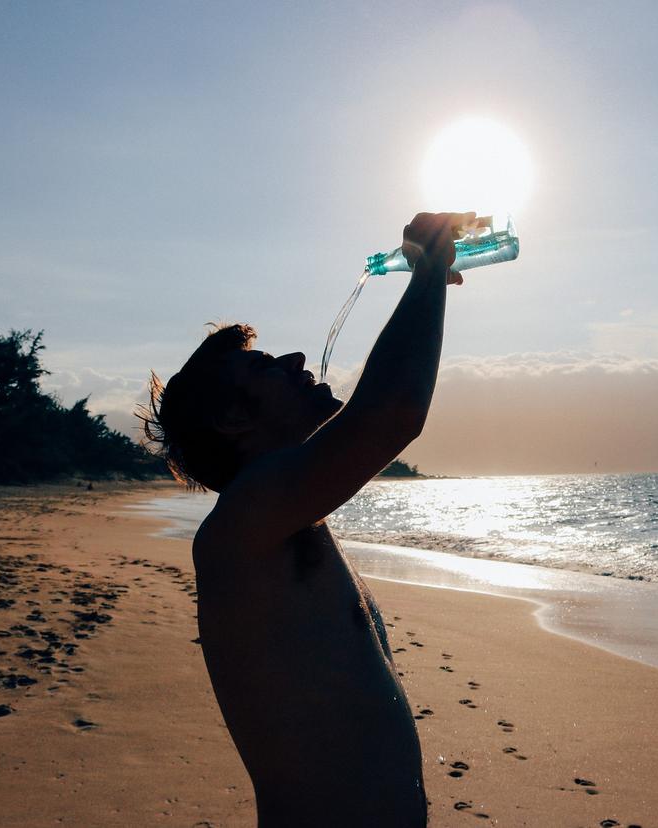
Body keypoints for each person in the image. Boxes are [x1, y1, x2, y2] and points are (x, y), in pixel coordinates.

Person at [139, 212, 474, 827]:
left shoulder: (285, 519)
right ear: (234, 420)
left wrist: (426, 281)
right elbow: (391, 414)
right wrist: (426, 272)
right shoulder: (243, 523)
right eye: (264, 366)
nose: (295, 357)